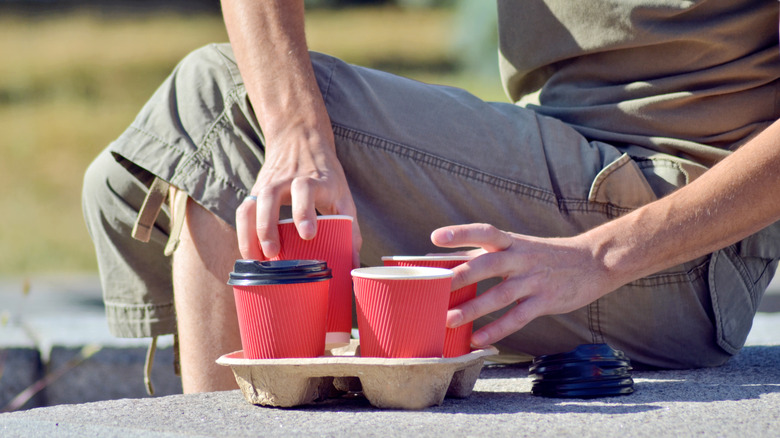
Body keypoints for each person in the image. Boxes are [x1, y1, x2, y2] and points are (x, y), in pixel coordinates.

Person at [83, 0, 780, 393]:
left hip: (679, 243)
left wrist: (599, 257)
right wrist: (300, 133)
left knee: (213, 108)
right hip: (567, 172)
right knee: (131, 182)